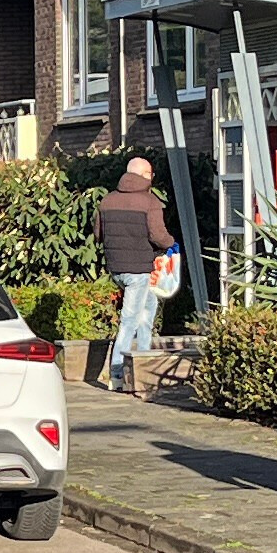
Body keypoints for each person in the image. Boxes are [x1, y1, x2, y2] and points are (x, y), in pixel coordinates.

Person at [95, 158, 178, 393]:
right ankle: (118, 375)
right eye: (150, 174)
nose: (152, 178)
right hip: (139, 270)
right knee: (129, 322)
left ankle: (143, 364)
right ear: (144, 175)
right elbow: (159, 236)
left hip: (117, 269)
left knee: (147, 311)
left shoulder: (107, 200)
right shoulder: (150, 202)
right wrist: (172, 244)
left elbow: (98, 234)